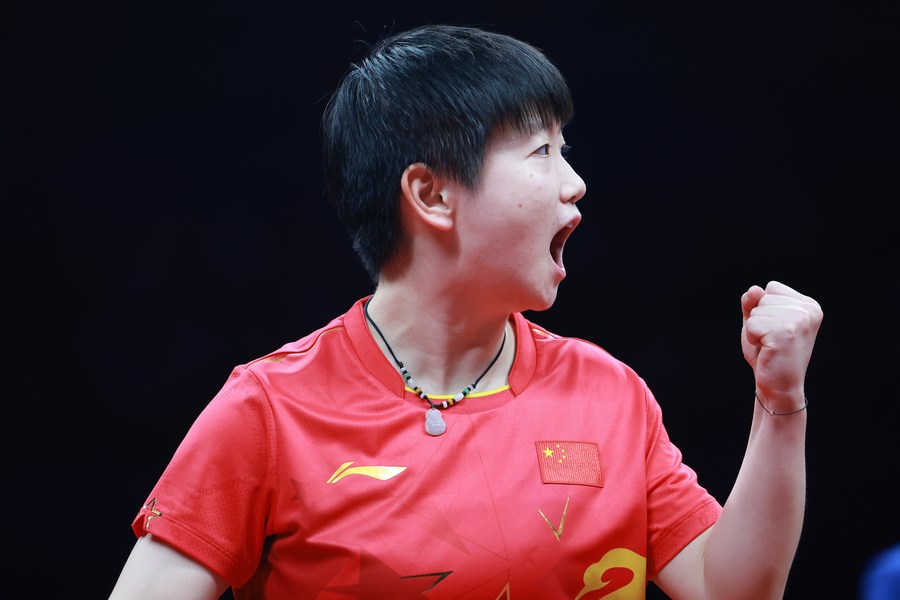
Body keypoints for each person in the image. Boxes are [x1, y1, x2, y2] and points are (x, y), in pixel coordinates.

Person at [108, 24, 823, 600]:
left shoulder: (609, 395)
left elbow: (733, 590)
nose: (575, 182)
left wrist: (779, 401)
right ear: (432, 195)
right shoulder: (269, 411)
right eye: (541, 151)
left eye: (565, 150)